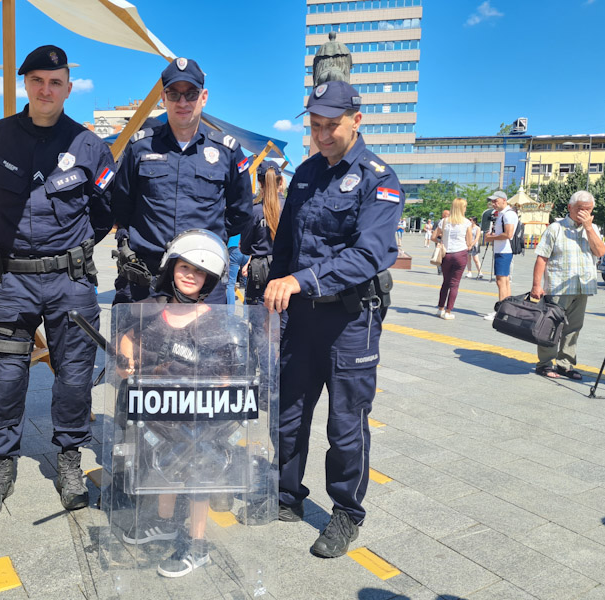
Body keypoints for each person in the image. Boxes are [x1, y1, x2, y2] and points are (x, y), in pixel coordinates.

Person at [0, 45, 115, 519]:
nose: (46, 90)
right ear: (25, 85)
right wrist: (8, 239)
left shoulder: (89, 145)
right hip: (12, 280)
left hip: (70, 281)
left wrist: (70, 247)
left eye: (56, 82)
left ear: (68, 88)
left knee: (73, 378)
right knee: (7, 377)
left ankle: (69, 456)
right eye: (37, 81)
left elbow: (105, 211)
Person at [263, 81, 402, 558]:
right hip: (300, 317)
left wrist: (300, 281)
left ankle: (346, 513)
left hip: (350, 321)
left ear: (356, 120)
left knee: (345, 424)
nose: (322, 135)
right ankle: (286, 495)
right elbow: (286, 246)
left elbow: (369, 254)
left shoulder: (377, 178)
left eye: (332, 126)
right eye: (315, 125)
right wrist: (272, 289)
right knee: (289, 413)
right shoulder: (304, 174)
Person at [115, 230, 251, 577]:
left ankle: (197, 543)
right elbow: (127, 339)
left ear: (210, 280)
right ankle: (164, 522)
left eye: (200, 271)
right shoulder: (152, 312)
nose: (190, 275)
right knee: (162, 469)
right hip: (159, 412)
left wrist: (219, 391)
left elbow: (230, 373)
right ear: (170, 267)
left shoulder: (218, 322)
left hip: (198, 417)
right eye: (184, 267)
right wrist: (126, 361)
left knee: (197, 477)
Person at [111, 57, 253, 305]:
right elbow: (121, 204)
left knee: (207, 344)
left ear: (204, 97)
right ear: (163, 98)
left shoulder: (227, 151)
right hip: (146, 280)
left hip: (202, 281)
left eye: (191, 94)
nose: (183, 102)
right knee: (131, 344)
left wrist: (205, 245)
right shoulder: (139, 147)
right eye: (174, 94)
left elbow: (241, 212)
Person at [531, 190, 605, 379]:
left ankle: (565, 364)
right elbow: (542, 258)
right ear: (570, 207)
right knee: (550, 325)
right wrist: (536, 286)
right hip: (558, 287)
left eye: (588, 210)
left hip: (582, 287)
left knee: (573, 328)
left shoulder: (593, 228)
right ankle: (545, 364)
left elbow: (600, 251)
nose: (584, 213)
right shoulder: (556, 228)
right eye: (581, 209)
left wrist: (588, 228)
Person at [240, 161, 283, 305]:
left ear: (259, 182)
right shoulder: (291, 209)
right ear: (281, 181)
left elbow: (245, 247)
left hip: (260, 276)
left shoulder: (255, 211)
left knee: (257, 323)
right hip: (285, 274)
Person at [430, 198, 473, 320]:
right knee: (454, 284)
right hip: (460, 254)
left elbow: (433, 237)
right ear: (461, 208)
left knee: (445, 282)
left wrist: (441, 241)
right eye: (465, 207)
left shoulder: (444, 221)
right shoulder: (466, 223)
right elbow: (469, 242)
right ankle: (448, 312)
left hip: (446, 254)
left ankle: (440, 309)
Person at [482, 191, 517, 320]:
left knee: (501, 281)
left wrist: (491, 237)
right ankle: (507, 309)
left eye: (495, 201)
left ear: (503, 200)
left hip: (503, 251)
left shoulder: (508, 215)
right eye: (492, 201)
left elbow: (508, 234)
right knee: (505, 280)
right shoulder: (504, 214)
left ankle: (501, 312)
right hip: (503, 251)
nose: (493, 204)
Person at [226, 234, 249, 304]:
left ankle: (230, 313)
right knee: (246, 284)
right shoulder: (248, 223)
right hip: (247, 249)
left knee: (230, 283)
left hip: (233, 248)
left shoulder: (233, 224)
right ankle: (247, 312)